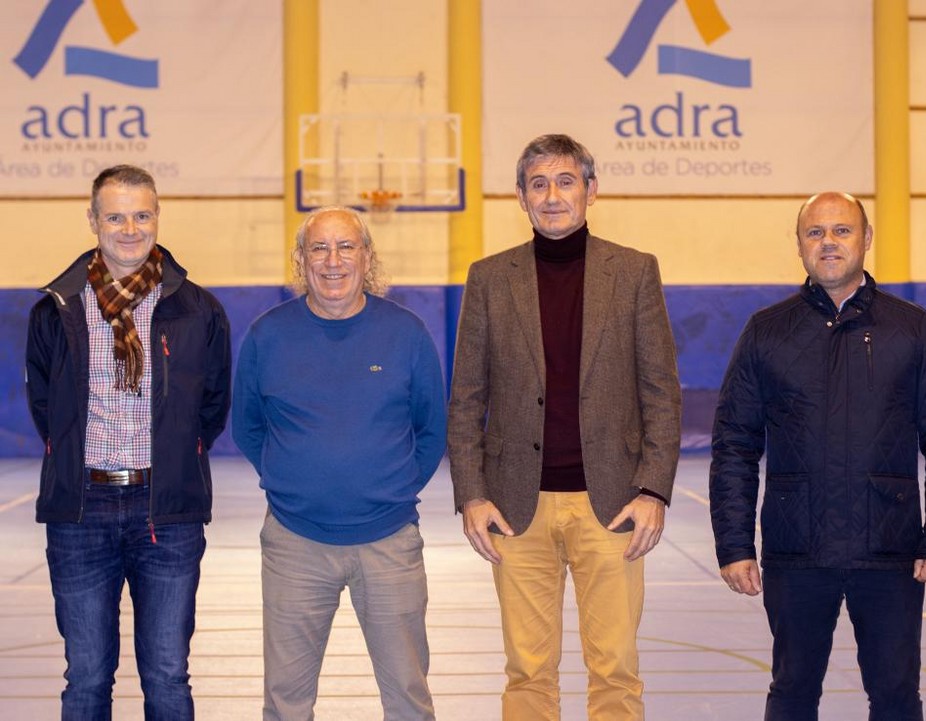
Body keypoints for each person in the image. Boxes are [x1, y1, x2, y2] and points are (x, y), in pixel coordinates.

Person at [709, 191, 926, 721]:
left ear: (866, 239)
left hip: (891, 550)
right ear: (800, 245)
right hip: (796, 551)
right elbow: (736, 444)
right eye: (816, 232)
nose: (828, 242)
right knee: (792, 694)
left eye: (842, 230)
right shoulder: (766, 331)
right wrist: (734, 544)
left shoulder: (912, 327)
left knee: (897, 696)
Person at [448, 133, 682, 721]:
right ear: (521, 198)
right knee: (527, 674)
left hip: (613, 504)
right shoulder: (488, 278)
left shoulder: (633, 272)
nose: (553, 196)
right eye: (539, 184)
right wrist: (472, 495)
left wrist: (653, 489)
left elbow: (661, 391)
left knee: (615, 671)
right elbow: (466, 397)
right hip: (514, 506)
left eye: (565, 181)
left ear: (591, 190)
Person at [24, 164, 232, 720]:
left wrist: (173, 461)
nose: (130, 228)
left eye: (142, 214)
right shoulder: (55, 309)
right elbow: (47, 410)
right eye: (115, 216)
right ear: (92, 220)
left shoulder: (198, 309)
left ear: (158, 215)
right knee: (87, 678)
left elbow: (212, 405)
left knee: (167, 676)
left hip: (167, 513)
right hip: (81, 511)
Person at [232, 207, 446, 721]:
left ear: (366, 256)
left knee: (409, 701)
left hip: (390, 545)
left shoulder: (407, 333)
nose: (333, 261)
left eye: (346, 247)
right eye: (319, 248)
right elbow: (248, 426)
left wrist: (387, 492)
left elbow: (432, 430)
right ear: (301, 260)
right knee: (285, 704)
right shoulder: (267, 335)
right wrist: (295, 485)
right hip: (295, 546)